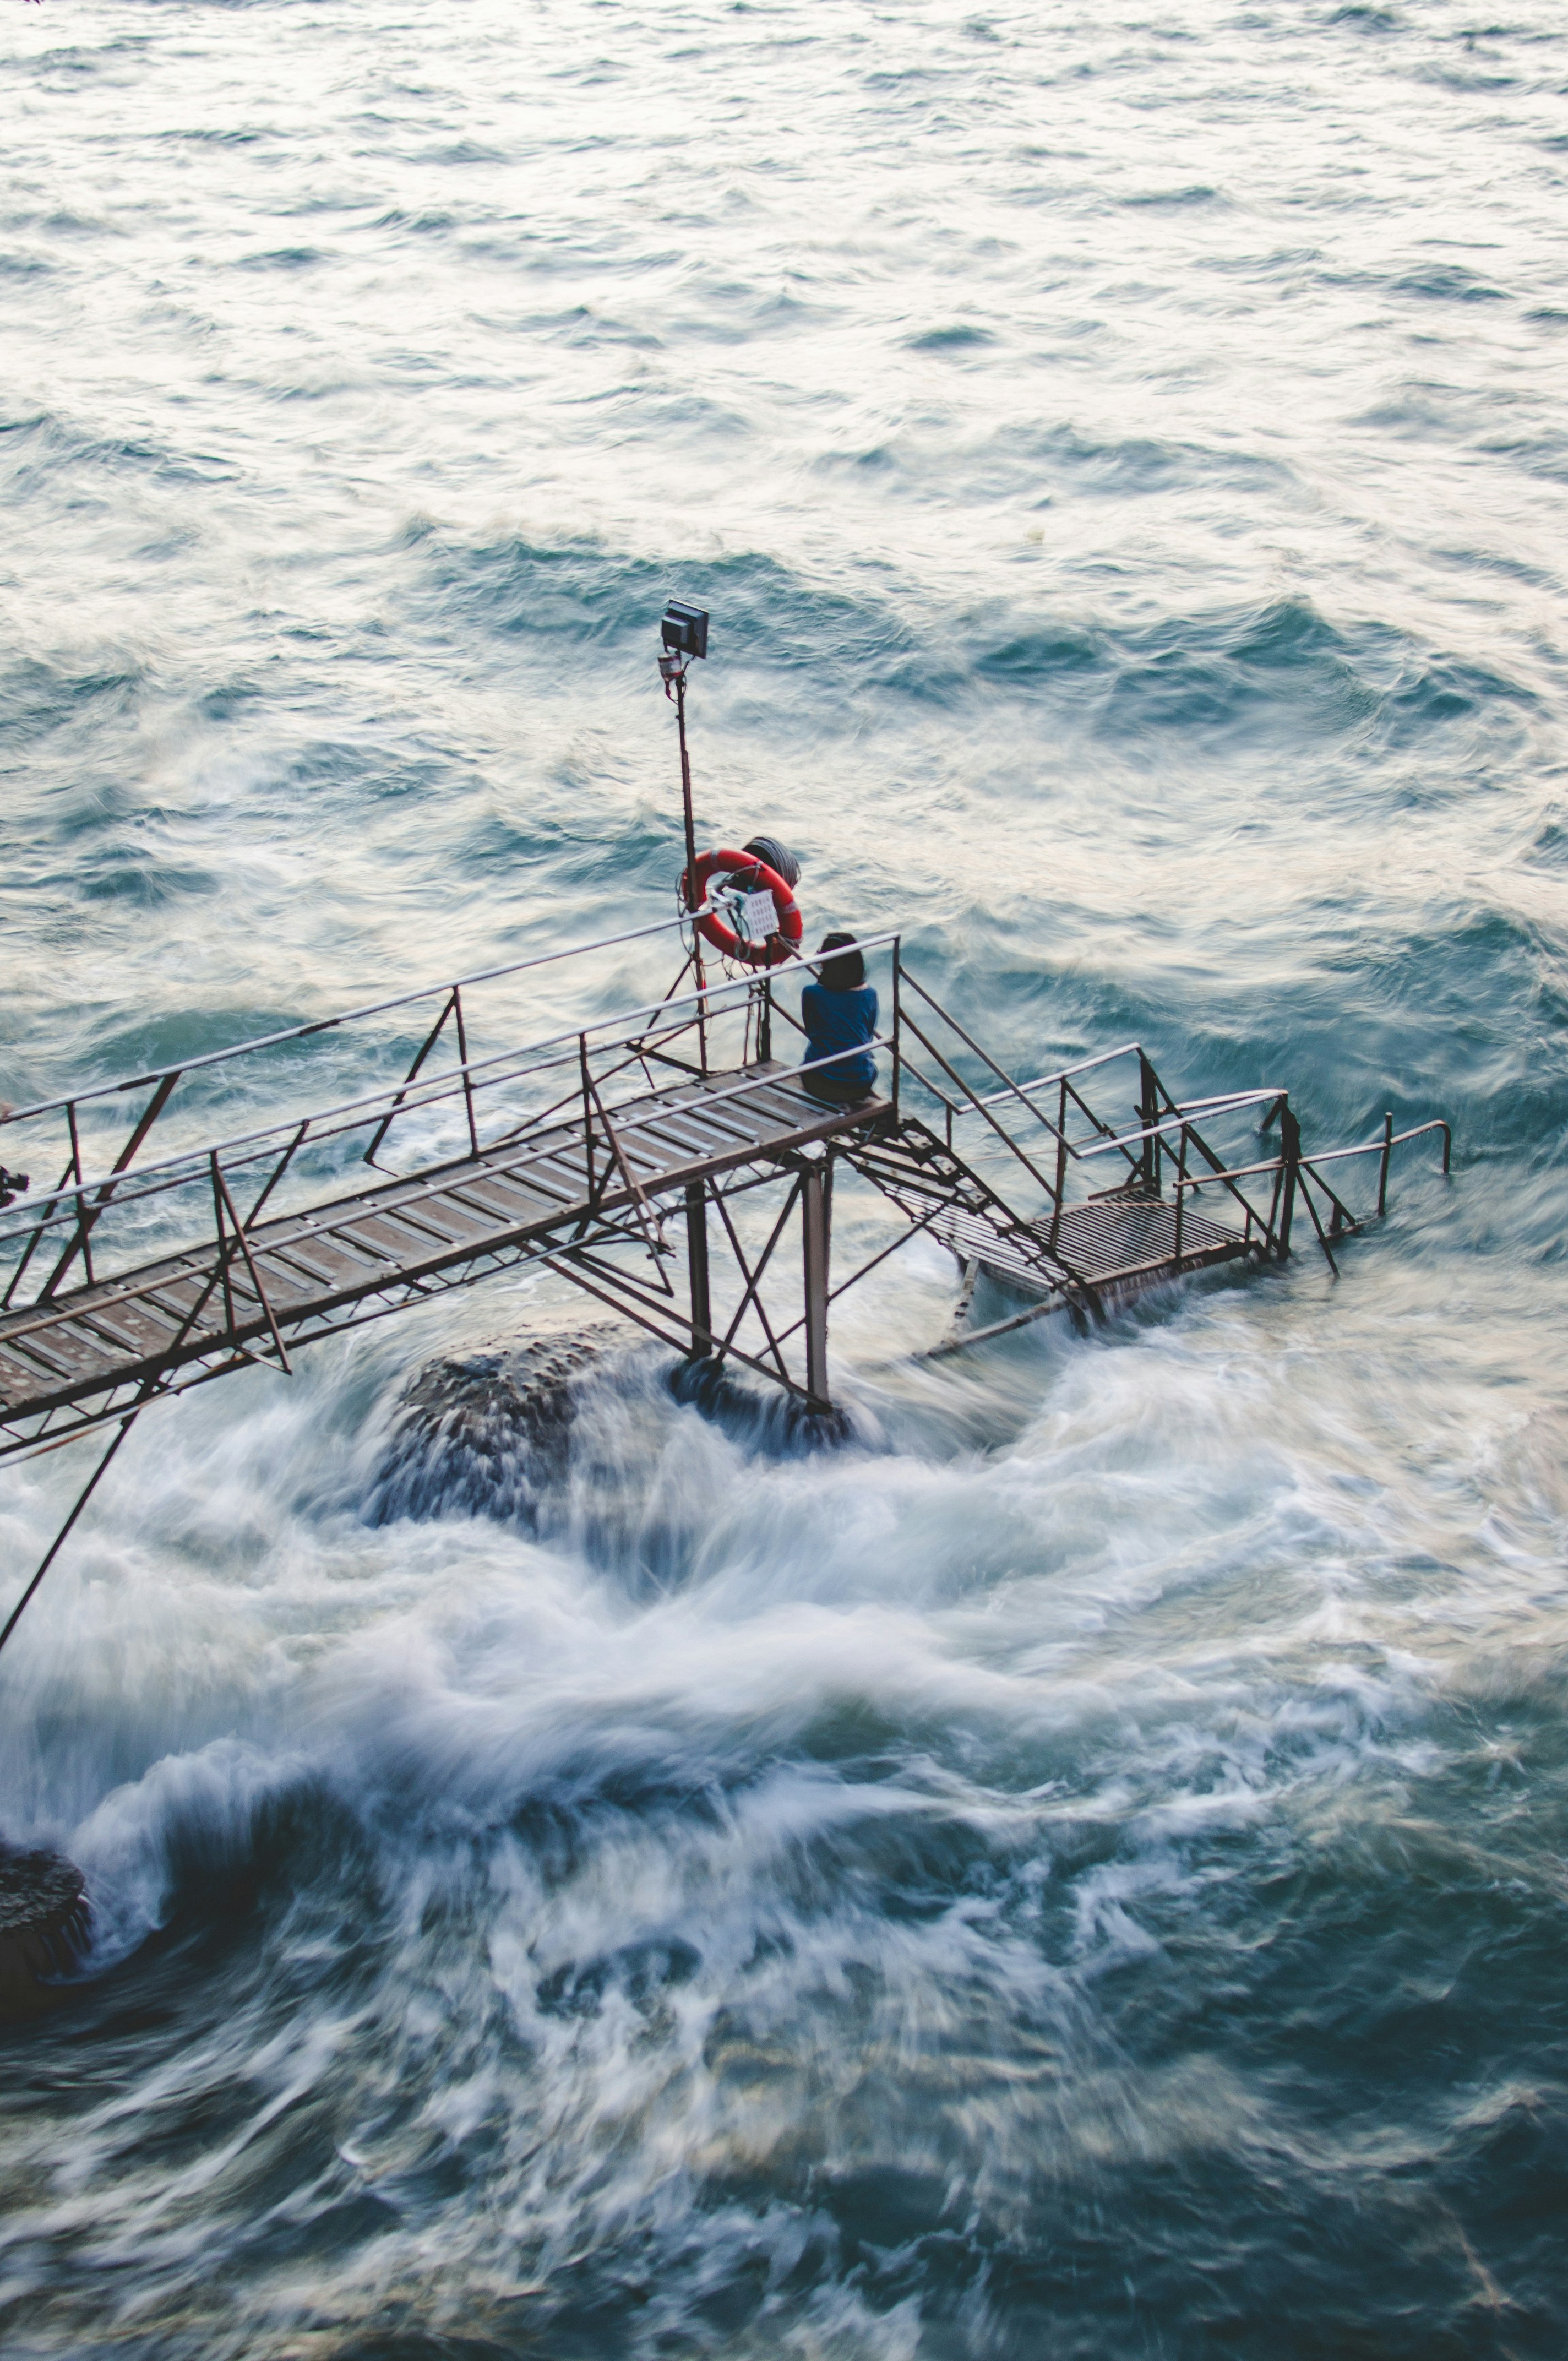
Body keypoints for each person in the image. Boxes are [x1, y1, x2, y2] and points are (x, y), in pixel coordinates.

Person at [800, 932, 878, 1105]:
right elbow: (868, 1035)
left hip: (818, 1083)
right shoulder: (870, 995)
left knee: (812, 1061)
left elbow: (812, 1031)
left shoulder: (811, 993)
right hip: (860, 1085)